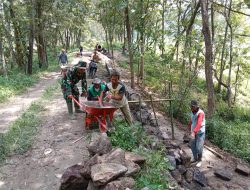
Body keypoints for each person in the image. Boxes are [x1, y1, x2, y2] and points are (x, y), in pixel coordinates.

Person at [188, 100, 205, 167]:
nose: (191, 108)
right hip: (193, 132)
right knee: (192, 146)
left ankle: (199, 160)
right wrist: (189, 128)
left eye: (193, 107)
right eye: (191, 106)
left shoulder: (201, 113)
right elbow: (191, 121)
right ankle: (195, 158)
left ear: (196, 106)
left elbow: (199, 123)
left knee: (198, 147)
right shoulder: (192, 112)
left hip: (200, 132)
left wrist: (194, 132)